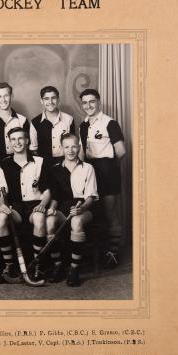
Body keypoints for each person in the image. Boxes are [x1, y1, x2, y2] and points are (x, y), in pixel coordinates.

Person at [0, 127, 50, 283]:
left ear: (27, 141)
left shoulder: (40, 162)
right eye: (13, 139)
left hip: (35, 205)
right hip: (16, 207)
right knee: (0, 219)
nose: (17, 142)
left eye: (20, 139)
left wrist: (43, 205)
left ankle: (36, 265)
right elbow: (2, 193)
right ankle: (9, 265)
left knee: (39, 218)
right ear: (10, 142)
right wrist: (2, 206)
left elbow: (47, 191)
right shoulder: (4, 164)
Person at [78, 88, 126, 268]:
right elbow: (82, 152)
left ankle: (113, 252)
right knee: (94, 213)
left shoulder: (110, 123)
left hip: (107, 172)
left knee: (109, 213)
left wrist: (109, 168)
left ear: (99, 102)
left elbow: (121, 151)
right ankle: (98, 252)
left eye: (92, 101)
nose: (88, 105)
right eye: (85, 102)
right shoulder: (83, 125)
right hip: (90, 172)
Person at [46, 133, 98, 286]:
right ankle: (58, 265)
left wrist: (81, 208)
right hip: (63, 209)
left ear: (79, 147)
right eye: (67, 147)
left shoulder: (88, 168)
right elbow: (55, 196)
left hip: (83, 209)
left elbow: (91, 197)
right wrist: (52, 208)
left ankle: (74, 269)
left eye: (74, 146)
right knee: (49, 221)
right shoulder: (55, 169)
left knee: (76, 221)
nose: (70, 150)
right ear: (61, 148)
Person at [29, 85, 75, 168]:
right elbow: (34, 149)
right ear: (41, 101)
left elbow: (73, 145)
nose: (50, 102)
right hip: (43, 166)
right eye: (46, 99)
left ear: (58, 99)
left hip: (65, 163)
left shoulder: (69, 119)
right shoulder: (35, 122)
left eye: (53, 98)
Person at [0, 82, 31, 164]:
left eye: (6, 96)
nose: (3, 100)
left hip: (19, 163)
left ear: (11, 96)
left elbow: (28, 145)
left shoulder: (22, 120)